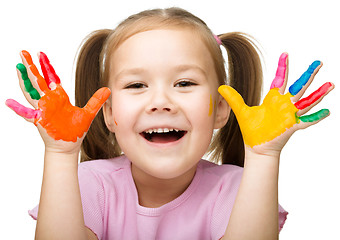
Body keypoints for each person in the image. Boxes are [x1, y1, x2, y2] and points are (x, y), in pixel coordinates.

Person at [6, 7, 334, 240]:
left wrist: (263, 157)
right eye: (136, 85)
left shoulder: (235, 191)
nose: (161, 101)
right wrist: (61, 155)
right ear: (108, 114)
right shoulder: (88, 186)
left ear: (220, 109)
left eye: (184, 83)